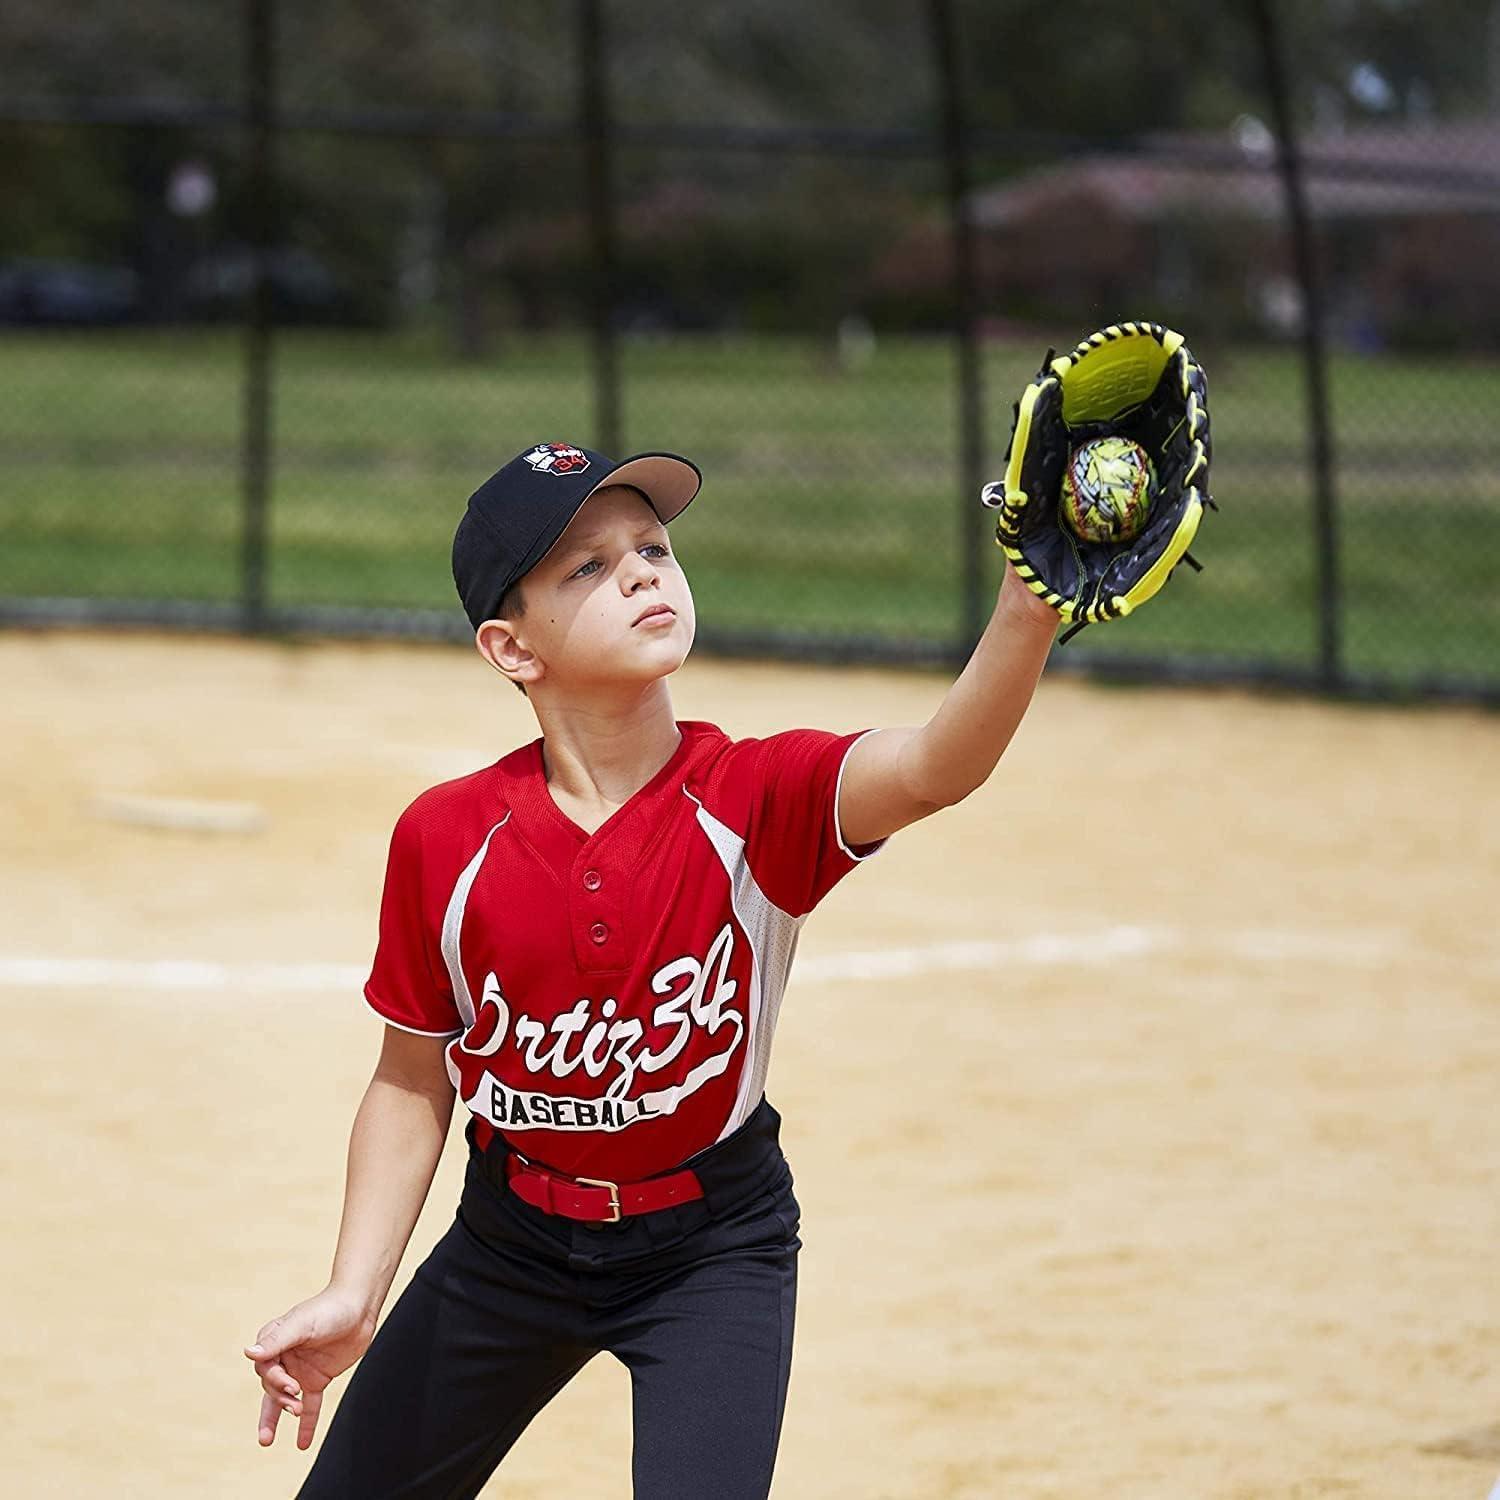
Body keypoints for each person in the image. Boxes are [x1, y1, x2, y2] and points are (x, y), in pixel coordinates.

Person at [244, 439, 1058, 1498]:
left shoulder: (759, 797)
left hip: (711, 1249)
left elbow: (935, 763)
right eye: (585, 567)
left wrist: (1028, 606)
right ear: (511, 647)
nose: (638, 572)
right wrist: (356, 1289)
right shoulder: (447, 840)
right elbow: (412, 1076)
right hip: (509, 1242)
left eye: (652, 548)